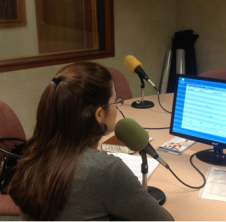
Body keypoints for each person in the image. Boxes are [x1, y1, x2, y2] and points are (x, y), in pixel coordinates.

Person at [9, 62, 174, 222]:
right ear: (99, 114)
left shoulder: (30, 152)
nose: (117, 108)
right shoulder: (105, 171)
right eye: (115, 101)